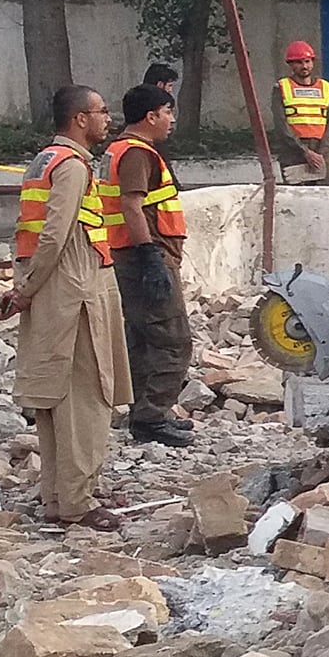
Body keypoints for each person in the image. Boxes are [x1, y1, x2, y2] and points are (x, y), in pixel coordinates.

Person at [0, 86, 129, 528]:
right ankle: (76, 500)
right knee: (85, 398)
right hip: (74, 292)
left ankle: (57, 495)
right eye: (100, 111)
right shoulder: (72, 167)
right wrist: (30, 288)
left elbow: (33, 234)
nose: (106, 118)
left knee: (55, 397)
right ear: (79, 119)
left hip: (54, 290)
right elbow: (54, 235)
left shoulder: (44, 161)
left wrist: (25, 287)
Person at [104, 83, 192, 447]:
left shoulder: (117, 149)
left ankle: (145, 412)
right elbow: (131, 206)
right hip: (143, 256)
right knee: (173, 340)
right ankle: (152, 417)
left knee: (141, 339)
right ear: (151, 115)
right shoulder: (138, 154)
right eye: (167, 112)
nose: (171, 120)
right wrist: (150, 255)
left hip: (127, 255)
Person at [275, 41, 329, 183]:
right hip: (293, 151)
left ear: (312, 62)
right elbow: (282, 125)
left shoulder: (325, 87)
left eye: (307, 61)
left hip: (321, 151)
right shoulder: (281, 87)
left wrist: (320, 153)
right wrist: (305, 152)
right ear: (291, 65)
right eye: (299, 62)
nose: (304, 66)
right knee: (298, 197)